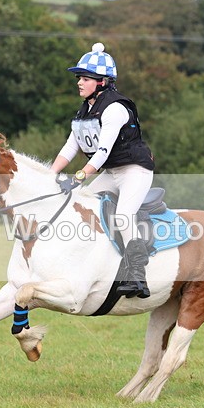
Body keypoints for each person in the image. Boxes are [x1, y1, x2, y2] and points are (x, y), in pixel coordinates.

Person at [50, 42, 155, 299]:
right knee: (82, 207)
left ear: (103, 82)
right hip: (111, 173)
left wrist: (79, 177)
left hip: (134, 171)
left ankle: (137, 276)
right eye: (79, 78)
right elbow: (69, 147)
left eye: (85, 78)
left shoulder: (115, 108)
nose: (79, 82)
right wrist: (48, 175)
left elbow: (103, 152)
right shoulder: (85, 109)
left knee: (123, 215)